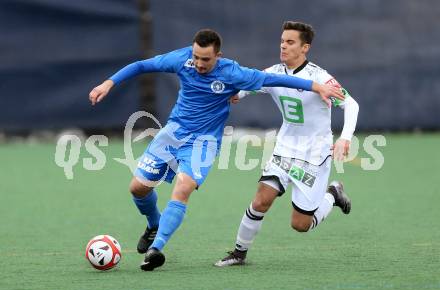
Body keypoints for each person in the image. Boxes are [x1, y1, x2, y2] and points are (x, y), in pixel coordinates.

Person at [89, 28, 344, 271]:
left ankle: (155, 250)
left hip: (204, 142)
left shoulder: (232, 73)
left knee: (183, 187)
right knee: (138, 188)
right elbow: (142, 65)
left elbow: (271, 78)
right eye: (196, 57)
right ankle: (154, 225)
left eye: (206, 60)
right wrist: (108, 83)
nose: (199, 63)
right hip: (173, 132)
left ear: (218, 56)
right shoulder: (181, 59)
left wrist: (315, 86)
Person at [215, 21, 359, 267]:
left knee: (300, 225)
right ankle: (239, 253)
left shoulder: (319, 77)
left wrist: (345, 138)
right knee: (262, 199)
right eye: (282, 40)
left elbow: (351, 104)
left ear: (305, 48)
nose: (283, 45)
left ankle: (333, 195)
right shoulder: (274, 72)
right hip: (284, 150)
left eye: (290, 42)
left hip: (314, 156)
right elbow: (251, 86)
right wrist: (236, 95)